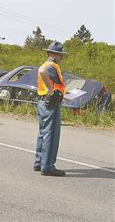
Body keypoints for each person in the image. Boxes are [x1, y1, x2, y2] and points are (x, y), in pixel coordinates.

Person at [34, 41, 67, 176]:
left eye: (61, 55)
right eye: (59, 54)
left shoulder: (45, 64)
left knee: (43, 132)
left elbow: (44, 73)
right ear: (51, 54)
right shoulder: (51, 65)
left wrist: (59, 91)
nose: (61, 57)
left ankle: (39, 162)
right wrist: (50, 89)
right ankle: (47, 166)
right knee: (51, 134)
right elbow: (43, 72)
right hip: (50, 103)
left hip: (42, 102)